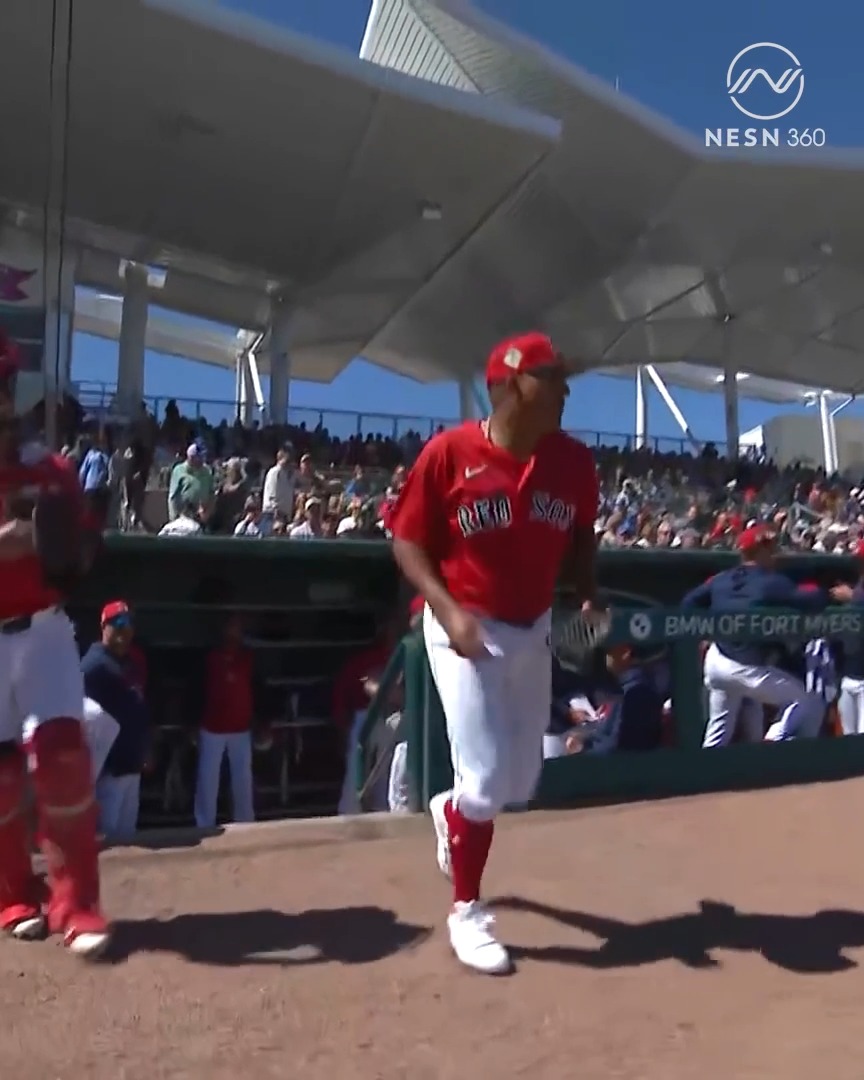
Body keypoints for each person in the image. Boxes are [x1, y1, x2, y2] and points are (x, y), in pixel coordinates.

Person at [390, 330, 604, 975]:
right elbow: (407, 542)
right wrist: (448, 610)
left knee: (520, 782)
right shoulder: (450, 453)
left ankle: (449, 811)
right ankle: (467, 913)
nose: (565, 389)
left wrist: (585, 595)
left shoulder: (572, 461)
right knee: (484, 783)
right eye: (553, 377)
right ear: (514, 382)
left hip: (532, 623)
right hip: (465, 624)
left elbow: (583, 534)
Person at [0, 329, 110, 958]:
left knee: (63, 755)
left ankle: (77, 901)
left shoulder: (50, 467)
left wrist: (76, 536)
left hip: (41, 630)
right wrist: (19, 534)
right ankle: (15, 891)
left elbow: (80, 555)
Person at [681, 525, 829, 745]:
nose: (774, 553)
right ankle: (772, 743)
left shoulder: (721, 579)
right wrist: (821, 590)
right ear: (758, 552)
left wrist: (707, 631)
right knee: (805, 701)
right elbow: (813, 600)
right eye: (769, 548)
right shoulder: (771, 581)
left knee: (719, 729)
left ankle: (702, 774)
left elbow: (689, 603)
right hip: (748, 668)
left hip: (717, 661)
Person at [81, 601, 149, 840]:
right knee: (107, 846)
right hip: (109, 773)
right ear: (104, 626)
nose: (125, 629)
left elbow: (136, 709)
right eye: (118, 622)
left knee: (128, 842)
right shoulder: (93, 665)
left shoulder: (127, 662)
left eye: (129, 623)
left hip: (130, 768)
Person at [194, 615, 255, 828]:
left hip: (241, 728)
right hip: (212, 727)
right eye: (229, 628)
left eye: (236, 628)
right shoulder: (208, 658)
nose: (232, 633)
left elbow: (258, 690)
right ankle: (204, 823)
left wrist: (263, 721)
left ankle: (246, 822)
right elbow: (195, 691)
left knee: (243, 779)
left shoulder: (248, 657)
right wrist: (191, 723)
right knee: (208, 779)